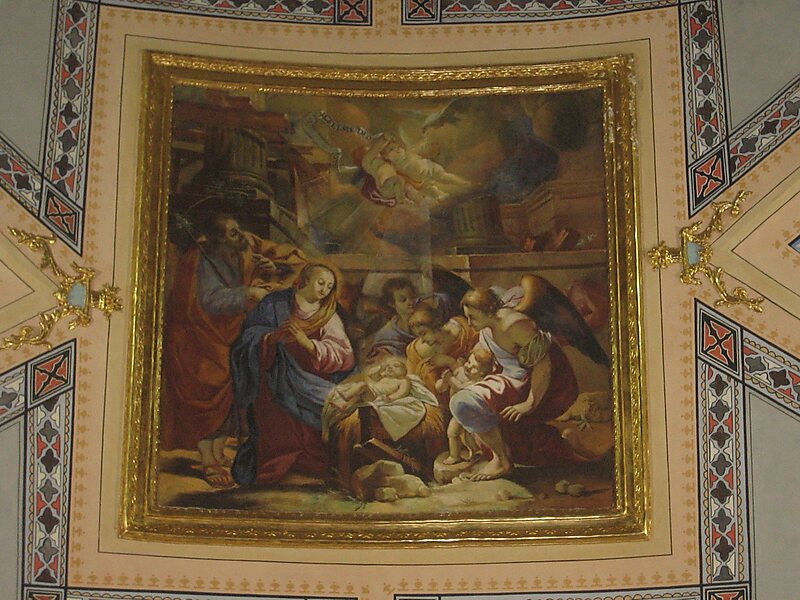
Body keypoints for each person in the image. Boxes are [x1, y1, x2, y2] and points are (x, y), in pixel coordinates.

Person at [160, 212, 305, 488]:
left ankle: (217, 454)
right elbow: (210, 302)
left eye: (239, 229)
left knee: (228, 400)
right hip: (199, 340)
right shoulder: (201, 260)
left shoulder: (238, 250)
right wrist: (248, 293)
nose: (241, 236)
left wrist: (268, 269)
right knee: (206, 398)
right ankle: (208, 461)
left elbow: (250, 273)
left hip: (226, 334)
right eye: (232, 233)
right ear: (216, 240)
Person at [230, 263, 355, 486]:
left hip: (311, 381)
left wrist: (308, 345)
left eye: (329, 286)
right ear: (305, 280)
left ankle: (306, 466)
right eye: (321, 283)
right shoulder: (274, 303)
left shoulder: (328, 314)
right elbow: (248, 336)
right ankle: (278, 467)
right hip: (273, 377)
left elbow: (344, 355)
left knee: (317, 429)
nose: (325, 290)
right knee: (277, 429)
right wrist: (271, 339)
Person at [450, 288, 580, 481]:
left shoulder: (514, 325)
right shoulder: (487, 327)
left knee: (464, 402)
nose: (469, 323)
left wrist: (529, 403)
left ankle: (501, 461)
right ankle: (503, 457)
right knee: (470, 407)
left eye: (472, 317)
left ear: (488, 311)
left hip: (534, 382)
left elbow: (543, 364)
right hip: (508, 377)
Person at [434, 348, 497, 465]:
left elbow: (460, 388)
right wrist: (444, 381)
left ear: (481, 373)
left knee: (452, 432)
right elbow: (441, 387)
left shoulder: (478, 381)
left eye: (474, 367)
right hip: (459, 410)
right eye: (468, 362)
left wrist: (450, 378)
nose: (468, 367)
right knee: (465, 435)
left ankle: (455, 456)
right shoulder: (462, 373)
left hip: (467, 412)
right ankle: (475, 451)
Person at [368, 277, 418, 358]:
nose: (410, 302)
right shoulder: (386, 335)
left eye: (412, 297)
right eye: (403, 300)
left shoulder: (425, 320)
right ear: (392, 303)